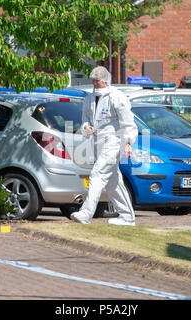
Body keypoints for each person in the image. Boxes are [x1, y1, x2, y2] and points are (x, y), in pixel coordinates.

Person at [71, 66, 138, 226]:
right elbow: (85, 118)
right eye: (93, 80)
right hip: (97, 143)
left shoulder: (117, 97)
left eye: (97, 80)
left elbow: (127, 122)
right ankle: (127, 217)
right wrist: (86, 127)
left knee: (97, 174)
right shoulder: (89, 98)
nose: (94, 83)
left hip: (114, 142)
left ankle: (85, 214)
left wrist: (128, 143)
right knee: (113, 182)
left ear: (106, 80)